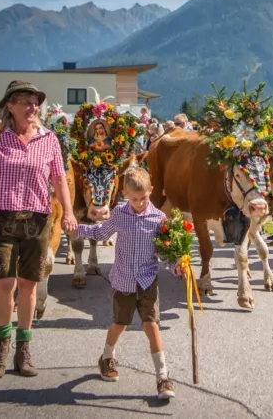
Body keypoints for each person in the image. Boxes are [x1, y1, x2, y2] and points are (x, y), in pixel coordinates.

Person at [0, 80, 78, 379]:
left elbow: (59, 180)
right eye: (26, 102)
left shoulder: (49, 139)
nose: (33, 107)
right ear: (10, 106)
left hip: (37, 220)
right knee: (5, 283)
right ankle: (1, 346)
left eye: (35, 102)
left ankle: (23, 348)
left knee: (29, 284)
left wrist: (68, 212)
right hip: (0, 220)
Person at [71, 168, 175, 399]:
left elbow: (165, 250)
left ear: (151, 191)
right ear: (126, 194)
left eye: (144, 198)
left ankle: (163, 377)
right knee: (120, 324)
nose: (139, 203)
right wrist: (76, 228)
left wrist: (178, 265)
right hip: (123, 281)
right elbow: (101, 233)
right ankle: (107, 357)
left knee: (151, 326)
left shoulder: (159, 218)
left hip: (148, 281)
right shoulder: (119, 214)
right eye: (134, 199)